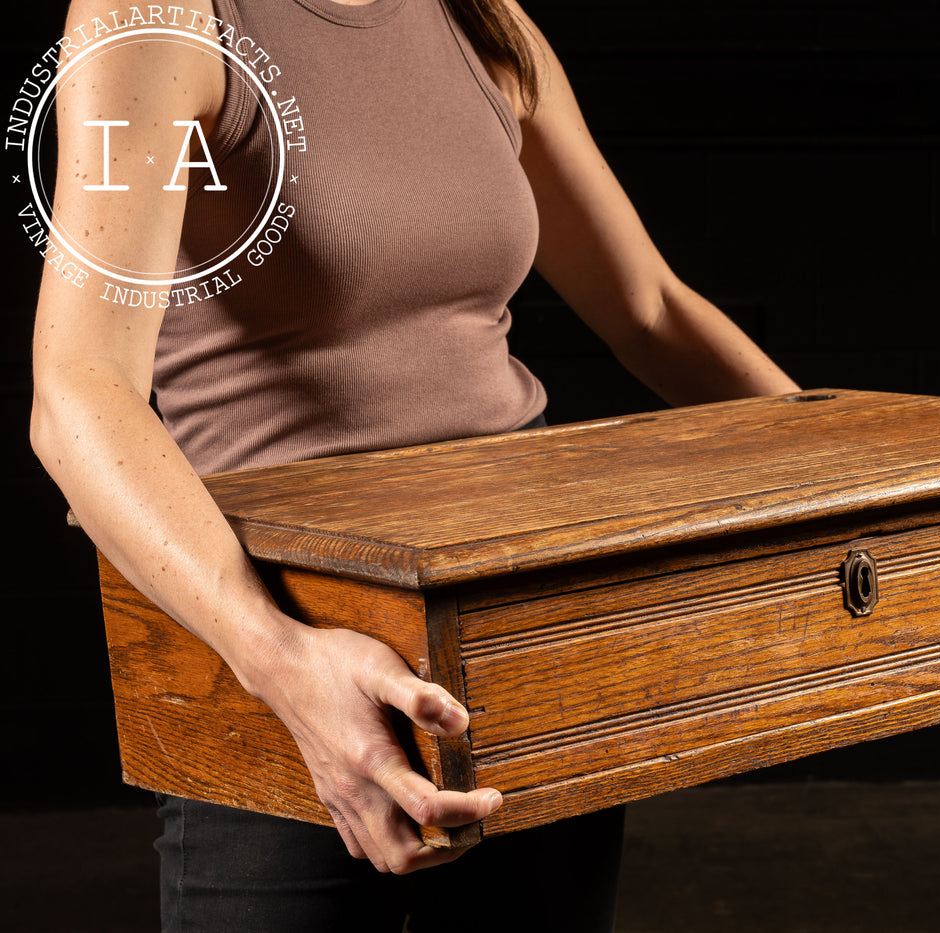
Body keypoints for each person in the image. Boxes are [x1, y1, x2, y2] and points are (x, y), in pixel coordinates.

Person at [29, 0, 799, 928]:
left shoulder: (481, 19)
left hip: (521, 618)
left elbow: (652, 308)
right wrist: (284, 661)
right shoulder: (155, 18)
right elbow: (77, 391)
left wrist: (845, 462)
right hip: (294, 631)